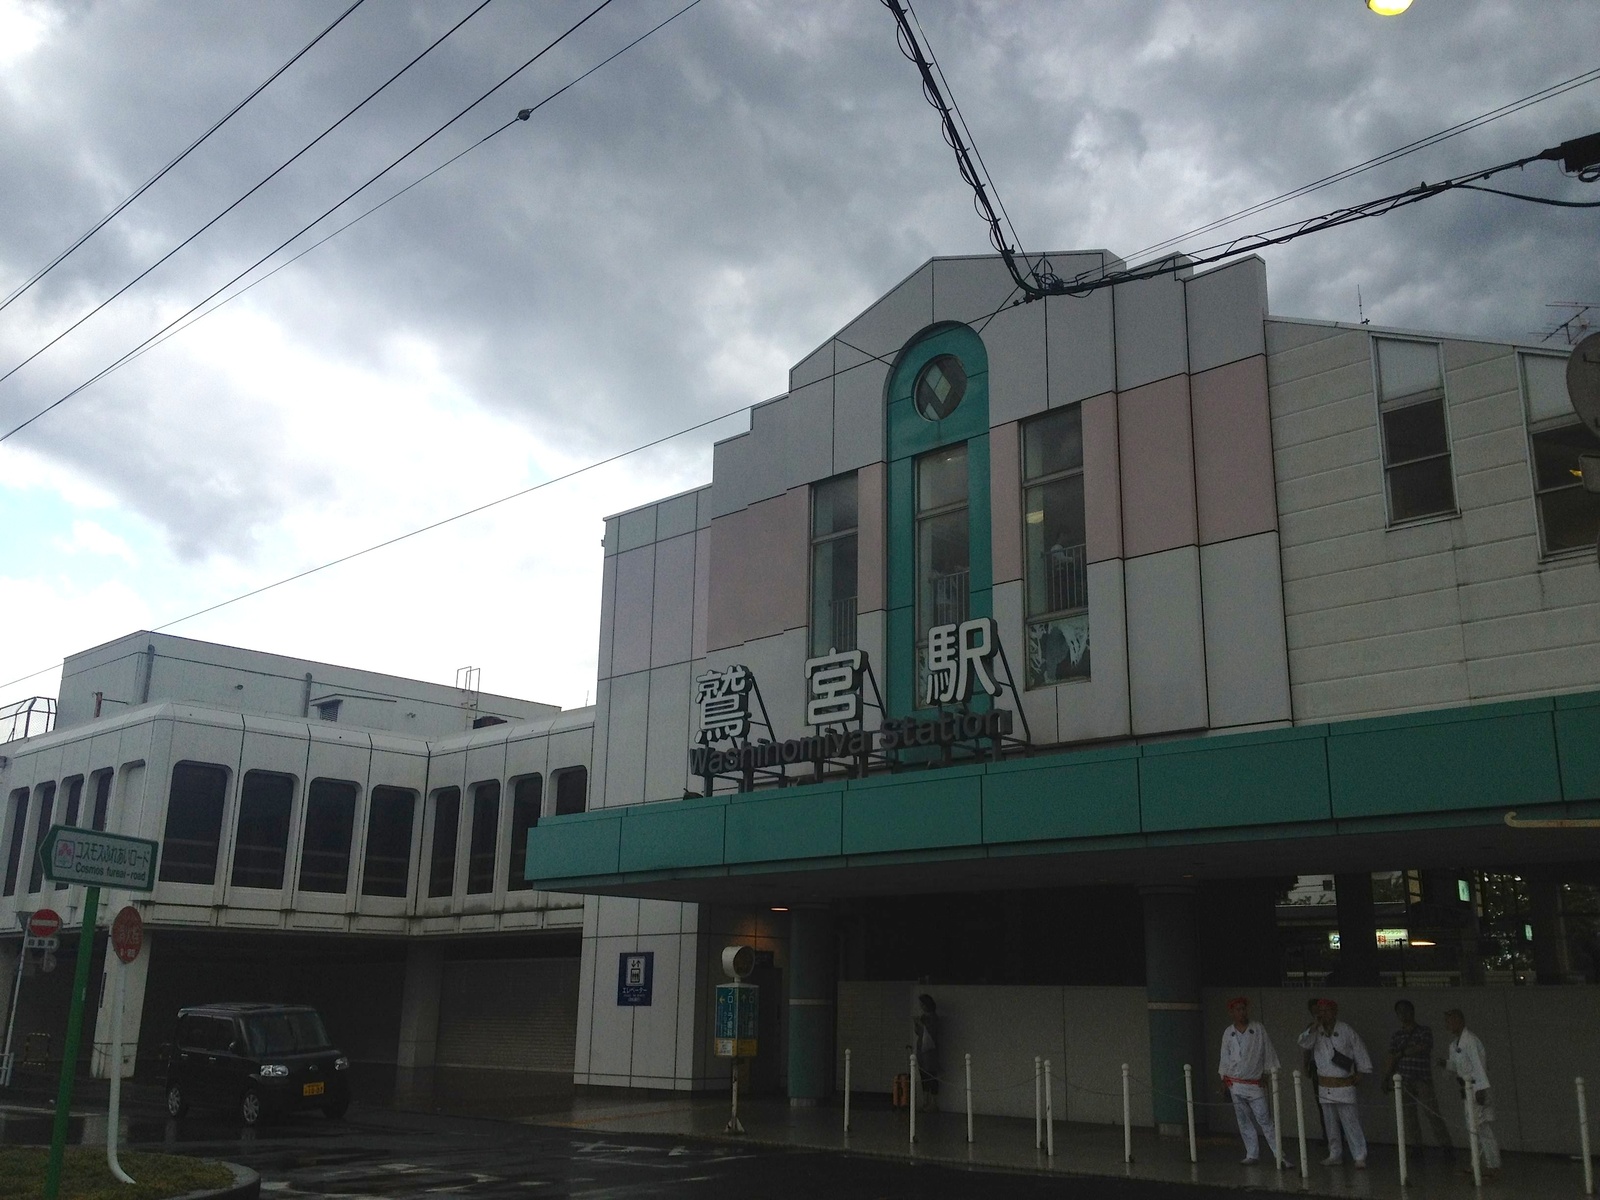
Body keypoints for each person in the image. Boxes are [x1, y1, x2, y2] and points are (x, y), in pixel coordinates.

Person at [1297, 998, 1373, 1168]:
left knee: (1350, 1121)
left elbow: (1359, 1049)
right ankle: (1335, 1154)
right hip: (1325, 1084)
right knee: (1330, 1122)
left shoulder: (1345, 1029)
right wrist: (1314, 1027)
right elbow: (1303, 1042)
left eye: (1326, 1011)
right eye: (1320, 1011)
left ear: (1334, 1012)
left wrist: (1361, 1071)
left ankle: (1359, 1155)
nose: (1322, 1014)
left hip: (1344, 1082)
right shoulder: (1316, 1031)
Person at [1218, 997, 1291, 1167]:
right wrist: (1223, 1079)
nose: (1242, 1012)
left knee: (1265, 1119)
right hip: (1235, 1083)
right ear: (1232, 1012)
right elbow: (1225, 1057)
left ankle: (1279, 1155)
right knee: (1243, 1120)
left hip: (1254, 1083)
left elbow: (1268, 1051)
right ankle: (1252, 1153)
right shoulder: (1228, 1032)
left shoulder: (1258, 1029)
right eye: (1238, 1009)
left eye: (1243, 1009)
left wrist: (1267, 1072)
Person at [1384, 1000, 1452, 1156]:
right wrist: (1387, 1076)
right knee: (1409, 1116)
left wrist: (1402, 1053)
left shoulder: (1424, 1031)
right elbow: (1391, 1056)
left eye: (1405, 1010)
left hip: (1422, 1078)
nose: (1403, 1014)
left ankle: (1446, 1146)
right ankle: (1416, 1147)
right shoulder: (1397, 1035)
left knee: (1432, 1113)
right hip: (1404, 1080)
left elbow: (1423, 1047)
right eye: (1399, 1012)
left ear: (1412, 1012)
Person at [1443, 1008, 1501, 1177]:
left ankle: (1492, 1166)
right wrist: (1444, 1064)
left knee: (1481, 1127)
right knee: (1474, 1128)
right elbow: (1456, 1066)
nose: (1447, 1024)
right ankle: (1478, 1164)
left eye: (1450, 1020)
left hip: (1477, 1089)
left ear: (1459, 1021)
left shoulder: (1471, 1040)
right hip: (1467, 1089)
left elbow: (1479, 1065)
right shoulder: (1455, 1045)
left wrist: (1481, 1089)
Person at [913, 994, 940, 1112]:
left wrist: (922, 1025)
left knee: (932, 1075)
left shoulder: (934, 1018)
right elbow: (918, 1032)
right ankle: (925, 1101)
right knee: (923, 1074)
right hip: (921, 1049)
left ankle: (933, 1102)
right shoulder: (923, 1017)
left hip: (930, 1050)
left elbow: (932, 1032)